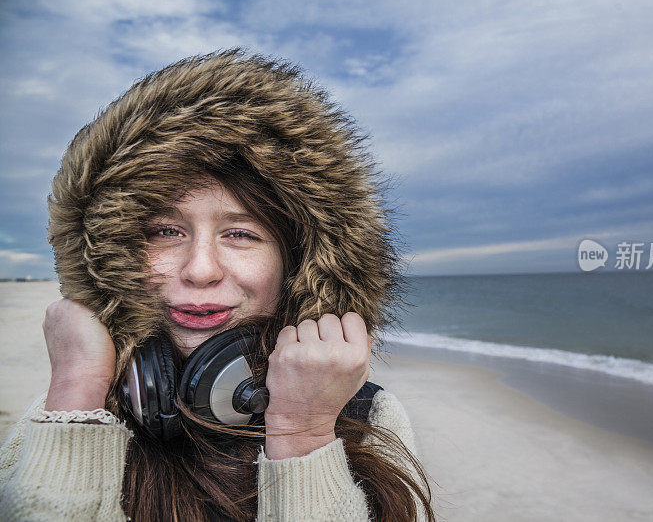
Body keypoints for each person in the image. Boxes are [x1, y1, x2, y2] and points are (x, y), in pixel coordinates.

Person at [0, 49, 433, 521]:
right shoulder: (59, 412)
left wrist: (303, 434)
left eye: (241, 234)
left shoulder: (370, 417)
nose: (200, 269)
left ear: (297, 262)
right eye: (165, 232)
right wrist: (78, 400)